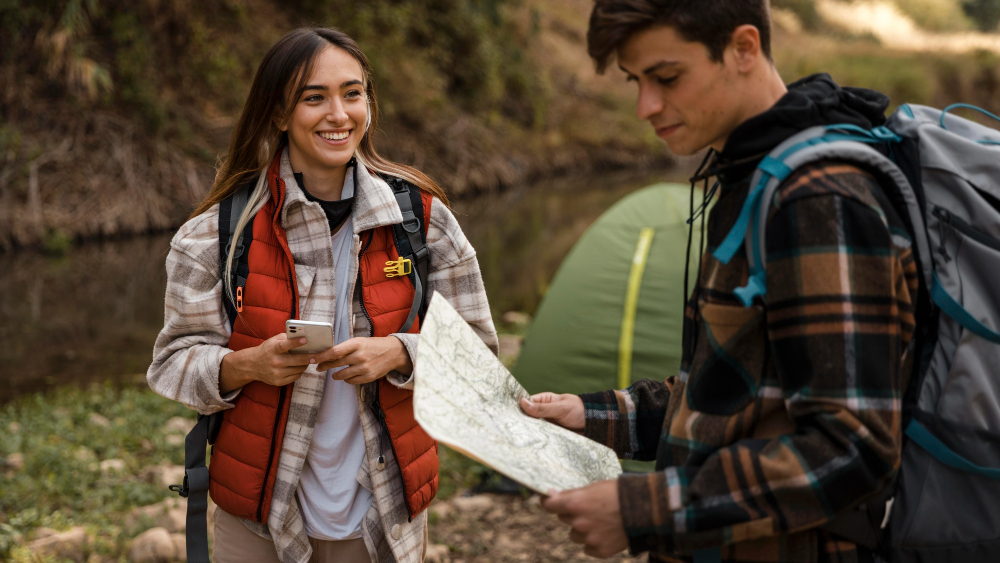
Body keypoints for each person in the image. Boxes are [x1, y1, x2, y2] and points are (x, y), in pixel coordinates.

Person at [520, 1, 915, 562]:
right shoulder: (751, 174)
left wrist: (644, 512)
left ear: (744, 49)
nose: (645, 106)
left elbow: (853, 448)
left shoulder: (819, 199)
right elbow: (734, 393)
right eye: (636, 82)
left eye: (667, 77)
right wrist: (591, 416)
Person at [147, 27, 498, 563]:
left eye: (352, 93)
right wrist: (248, 366)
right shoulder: (216, 232)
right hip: (258, 519)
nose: (339, 114)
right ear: (278, 114)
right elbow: (172, 363)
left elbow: (480, 355)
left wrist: (402, 351)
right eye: (314, 98)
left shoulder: (422, 221)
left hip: (382, 515)